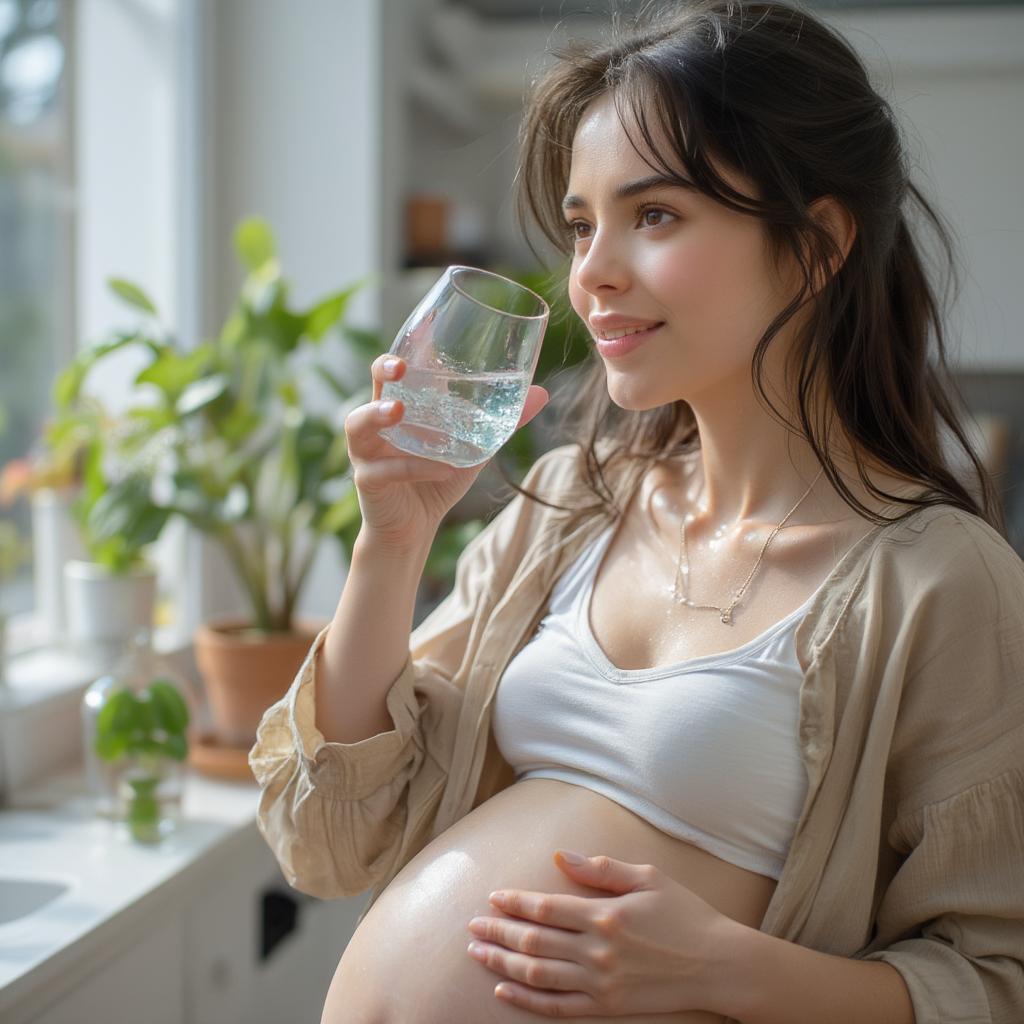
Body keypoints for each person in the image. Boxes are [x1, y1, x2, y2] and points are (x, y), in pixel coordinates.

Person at [248, 2, 1024, 1022]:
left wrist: (724, 968)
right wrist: (389, 547)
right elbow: (331, 837)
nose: (590, 274)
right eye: (580, 225)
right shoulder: (570, 507)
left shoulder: (937, 581)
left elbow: (993, 981)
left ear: (818, 244)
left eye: (652, 215)